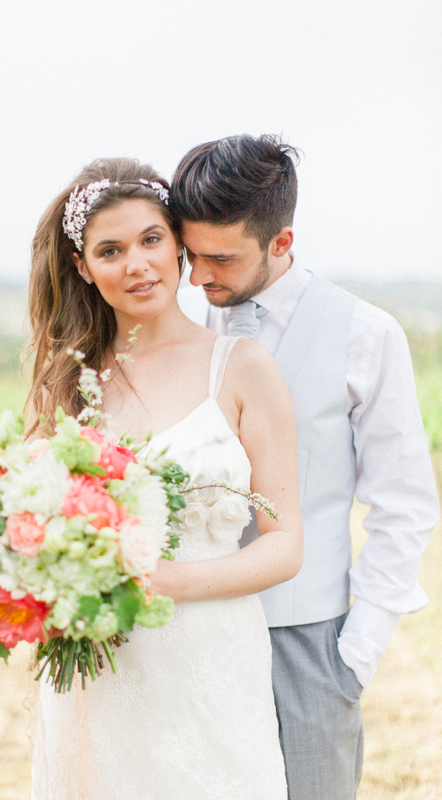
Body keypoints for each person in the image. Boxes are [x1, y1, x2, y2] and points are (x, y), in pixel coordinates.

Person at [171, 133, 440, 800]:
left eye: (221, 258)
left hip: (305, 646)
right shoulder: (172, 329)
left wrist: (352, 658)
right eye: (190, 255)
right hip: (182, 638)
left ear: (281, 242)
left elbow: (404, 503)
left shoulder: (365, 334)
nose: (199, 277)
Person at [25, 157, 303, 799]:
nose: (138, 264)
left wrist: (166, 581)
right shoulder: (66, 382)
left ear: (178, 244)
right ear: (82, 267)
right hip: (99, 657)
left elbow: (285, 545)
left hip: (209, 656)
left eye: (151, 239)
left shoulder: (243, 367)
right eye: (111, 250)